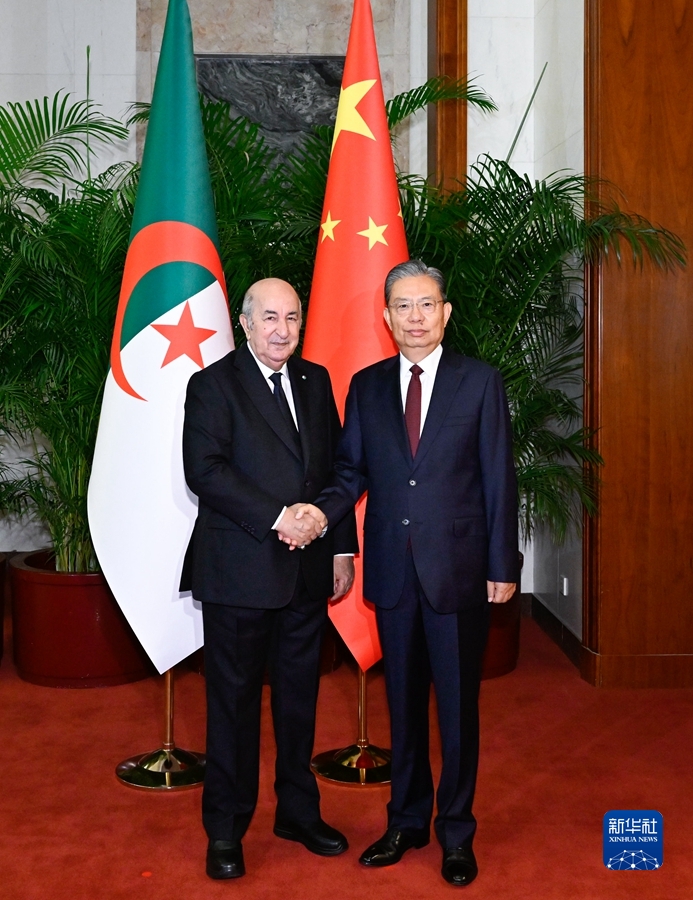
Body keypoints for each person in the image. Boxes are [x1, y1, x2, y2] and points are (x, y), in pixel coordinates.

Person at [293, 259, 519, 887]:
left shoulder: (480, 382)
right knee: (403, 706)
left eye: (427, 305)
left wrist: (503, 563)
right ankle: (406, 821)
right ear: (385, 317)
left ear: (446, 313)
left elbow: (500, 477)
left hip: (459, 571)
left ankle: (456, 831)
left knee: (457, 708)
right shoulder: (365, 386)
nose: (415, 318)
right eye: (403, 307)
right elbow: (350, 474)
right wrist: (317, 514)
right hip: (394, 573)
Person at [181, 278, 357, 880]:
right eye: (270, 318)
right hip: (240, 573)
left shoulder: (315, 382)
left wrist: (337, 546)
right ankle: (226, 830)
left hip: (307, 573)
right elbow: (204, 470)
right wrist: (281, 516)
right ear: (246, 322)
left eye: (292, 317)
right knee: (231, 708)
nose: (282, 329)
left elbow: (336, 472)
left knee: (299, 704)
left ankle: (297, 814)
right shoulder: (212, 384)